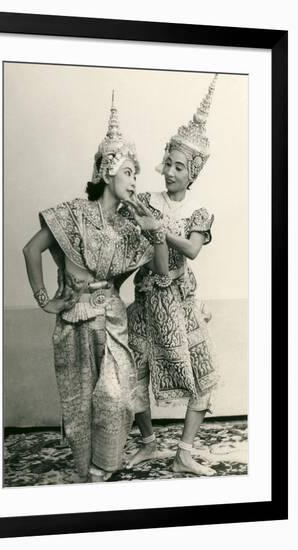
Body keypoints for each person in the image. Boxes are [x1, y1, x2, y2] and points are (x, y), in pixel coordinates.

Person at [23, 94, 169, 483]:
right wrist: (45, 300)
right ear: (107, 172)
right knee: (80, 402)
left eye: (136, 173)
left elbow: (161, 270)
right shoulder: (73, 214)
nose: (135, 180)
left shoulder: (130, 227)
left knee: (115, 398)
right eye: (129, 172)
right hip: (76, 319)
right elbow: (31, 250)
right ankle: (88, 472)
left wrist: (155, 233)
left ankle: (106, 464)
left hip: (114, 321)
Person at [126, 75, 220, 476]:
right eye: (168, 163)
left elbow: (193, 250)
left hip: (181, 301)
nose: (170, 172)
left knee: (204, 375)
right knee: (136, 372)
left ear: (192, 172)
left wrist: (161, 231)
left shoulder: (200, 210)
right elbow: (133, 245)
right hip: (147, 297)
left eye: (179, 167)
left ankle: (183, 453)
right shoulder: (147, 200)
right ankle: (148, 444)